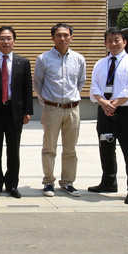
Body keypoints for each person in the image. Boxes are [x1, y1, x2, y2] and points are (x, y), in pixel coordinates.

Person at [88, 28, 128, 205]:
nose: (113, 44)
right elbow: (94, 86)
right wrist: (104, 103)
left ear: (124, 42)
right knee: (106, 147)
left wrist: (114, 104)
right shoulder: (100, 64)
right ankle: (108, 182)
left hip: (125, 111)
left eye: (116, 40)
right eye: (109, 41)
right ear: (105, 43)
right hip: (105, 111)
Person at [0, 25, 33, 199]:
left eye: (9, 38)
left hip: (14, 111)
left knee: (13, 151)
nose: (5, 41)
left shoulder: (22, 62)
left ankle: (12, 185)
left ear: (14, 41)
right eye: (2, 38)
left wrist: (27, 111)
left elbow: (27, 89)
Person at [34, 22, 86, 198]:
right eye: (59, 35)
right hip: (52, 109)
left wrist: (71, 99)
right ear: (53, 38)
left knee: (70, 149)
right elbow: (38, 84)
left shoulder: (79, 59)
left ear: (71, 37)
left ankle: (68, 182)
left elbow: (80, 82)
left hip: (73, 110)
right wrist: (47, 103)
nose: (63, 38)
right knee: (49, 148)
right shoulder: (44, 59)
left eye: (66, 35)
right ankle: (48, 182)